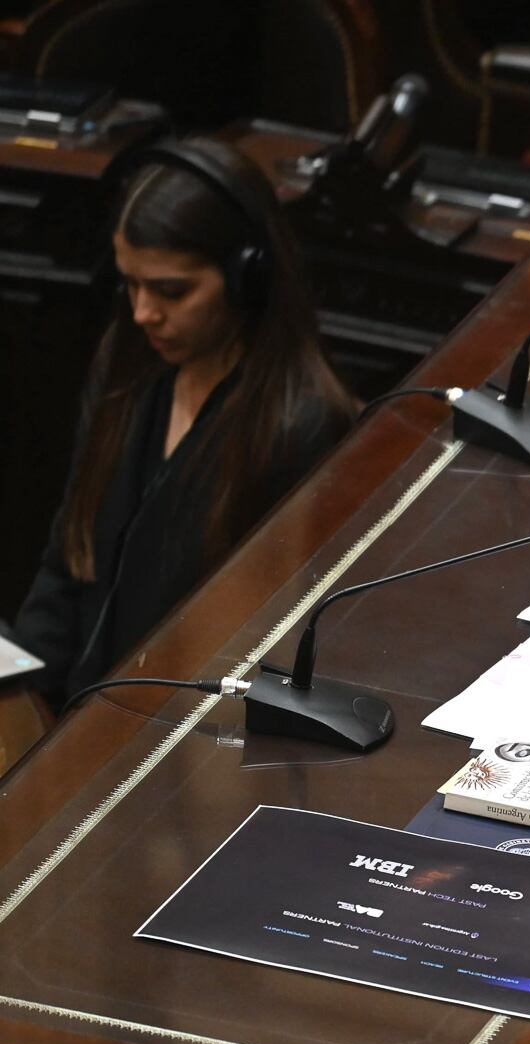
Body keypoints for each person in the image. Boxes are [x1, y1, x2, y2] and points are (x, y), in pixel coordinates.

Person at [12, 136, 355, 707]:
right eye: (130, 284)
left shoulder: (304, 426)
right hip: (74, 722)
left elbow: (264, 650)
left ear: (248, 274)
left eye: (172, 291)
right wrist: (18, 696)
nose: (143, 312)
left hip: (175, 741)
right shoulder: (127, 364)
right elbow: (69, 561)